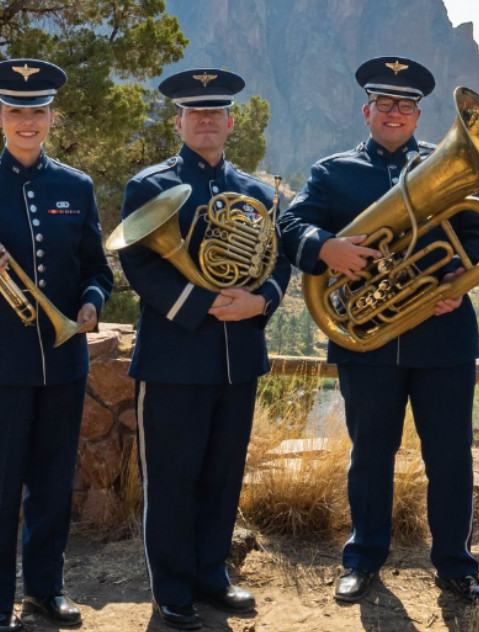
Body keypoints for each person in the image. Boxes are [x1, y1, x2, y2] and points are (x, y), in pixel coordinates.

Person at [278, 56, 479, 605]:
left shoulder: (442, 168)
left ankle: (457, 565)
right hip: (365, 343)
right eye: (384, 103)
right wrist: (326, 248)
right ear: (367, 110)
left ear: (419, 114)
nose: (394, 112)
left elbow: (475, 233)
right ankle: (363, 559)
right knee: (370, 454)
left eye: (405, 105)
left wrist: (454, 275)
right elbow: (291, 226)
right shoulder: (334, 172)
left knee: (451, 455)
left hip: (442, 336)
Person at [117, 68, 290, 630]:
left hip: (237, 359)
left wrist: (260, 299)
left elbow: (279, 259)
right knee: (171, 478)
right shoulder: (150, 185)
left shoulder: (258, 191)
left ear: (230, 122)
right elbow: (139, 263)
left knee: (222, 473)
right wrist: (202, 303)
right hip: (174, 359)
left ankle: (212, 575)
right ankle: (171, 587)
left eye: (217, 113)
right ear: (180, 122)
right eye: (197, 114)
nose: (208, 121)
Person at [0, 59, 113, 631]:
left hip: (63, 363)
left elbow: (96, 267)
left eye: (37, 110)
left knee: (51, 483)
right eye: (16, 109)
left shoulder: (75, 185)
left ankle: (45, 588)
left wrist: (92, 301)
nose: (27, 120)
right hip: (4, 366)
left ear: (52, 117)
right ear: (1, 115)